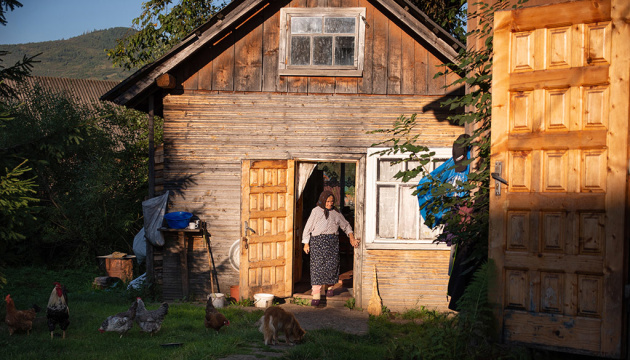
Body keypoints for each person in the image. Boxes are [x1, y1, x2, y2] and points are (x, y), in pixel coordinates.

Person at [302, 190, 360, 307]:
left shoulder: (336, 213)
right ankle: (316, 294)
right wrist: (306, 243)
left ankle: (330, 288)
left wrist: (351, 238)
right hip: (318, 242)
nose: (329, 204)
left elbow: (346, 225)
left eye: (332, 201)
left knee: (332, 266)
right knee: (317, 267)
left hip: (332, 242)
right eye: (327, 201)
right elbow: (308, 228)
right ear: (323, 200)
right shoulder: (316, 211)